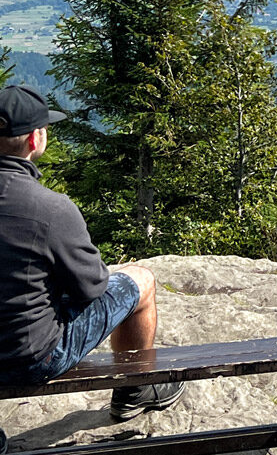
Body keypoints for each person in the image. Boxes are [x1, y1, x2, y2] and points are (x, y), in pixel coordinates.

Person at [0, 85, 184, 423]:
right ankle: (136, 389)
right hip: (28, 360)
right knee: (140, 281)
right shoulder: (50, 209)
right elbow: (92, 288)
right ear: (33, 140)